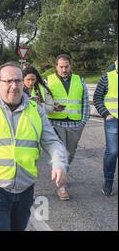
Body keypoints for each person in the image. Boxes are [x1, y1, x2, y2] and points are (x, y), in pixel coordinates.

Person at [0, 62, 68, 231]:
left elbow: (52, 141)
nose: (14, 86)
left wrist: (59, 163)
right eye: (8, 81)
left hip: (25, 188)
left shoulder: (36, 111)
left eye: (18, 81)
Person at [46, 54, 90, 201]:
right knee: (60, 153)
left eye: (66, 66)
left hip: (75, 124)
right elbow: (44, 102)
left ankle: (62, 173)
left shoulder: (79, 80)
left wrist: (82, 122)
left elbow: (85, 102)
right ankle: (61, 186)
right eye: (61, 67)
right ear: (56, 67)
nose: (64, 69)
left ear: (70, 66)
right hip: (55, 124)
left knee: (70, 154)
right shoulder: (48, 80)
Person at [94, 59, 118, 196]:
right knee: (113, 151)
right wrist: (106, 114)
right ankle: (108, 180)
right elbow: (97, 97)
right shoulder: (107, 77)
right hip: (112, 119)